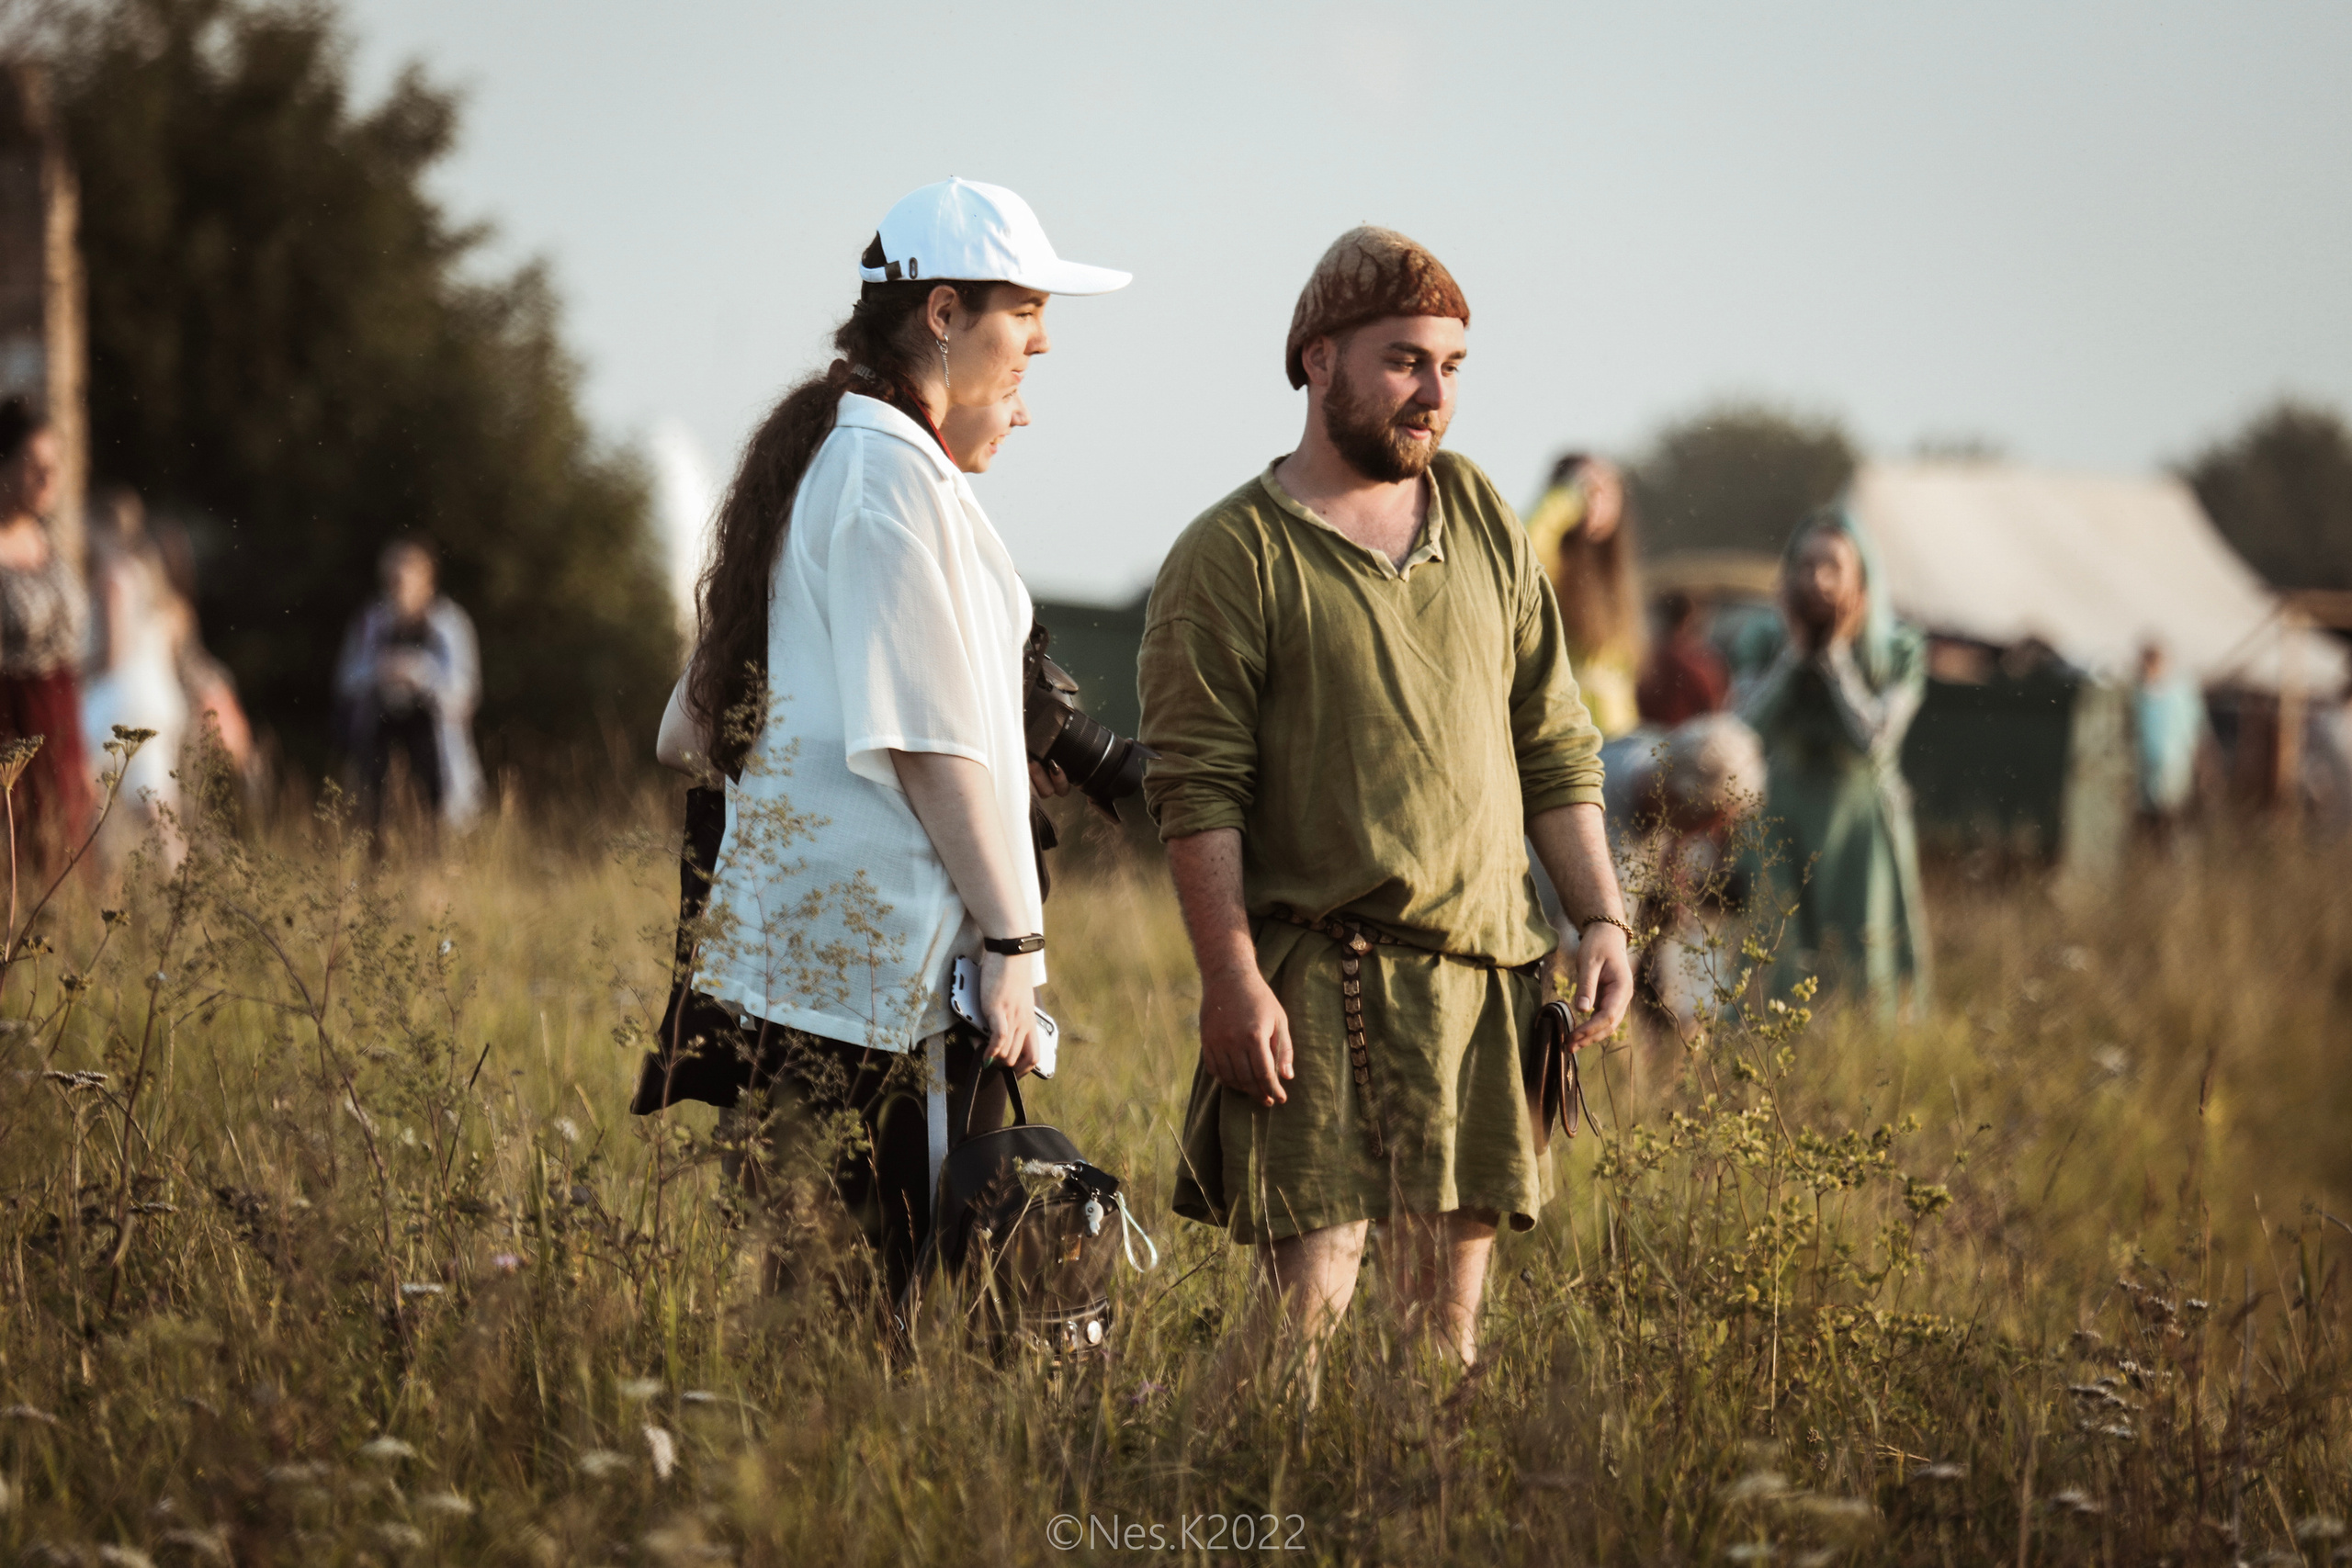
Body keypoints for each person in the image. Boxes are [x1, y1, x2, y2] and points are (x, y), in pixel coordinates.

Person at [1139, 227, 1634, 1375]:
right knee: (1298, 1327)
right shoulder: (1231, 553)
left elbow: (1553, 740)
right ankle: (1212, 1487)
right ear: (1318, 360)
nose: (1434, 395)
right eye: (1405, 361)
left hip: (1485, 983)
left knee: (1442, 1341)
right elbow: (1196, 792)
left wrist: (1601, 915)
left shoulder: (1481, 517)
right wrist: (1230, 976)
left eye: (1451, 367)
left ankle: (1415, 1491)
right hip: (1324, 981)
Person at [635, 178, 1125, 1305]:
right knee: (905, 1301)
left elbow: (687, 729)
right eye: (1024, 317)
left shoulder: (843, 456)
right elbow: (926, 745)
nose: (1040, 346)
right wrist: (1011, 941)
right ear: (943, 313)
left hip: (824, 975)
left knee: (832, 1300)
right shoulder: (883, 474)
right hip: (885, 984)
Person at [1735, 508, 1930, 1017]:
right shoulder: (1764, 642)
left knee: (1864, 961)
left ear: (1861, 578)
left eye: (1832, 567)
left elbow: (1876, 741)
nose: (1817, 580)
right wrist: (1794, 657)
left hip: (1860, 823)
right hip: (1782, 818)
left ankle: (1862, 1057)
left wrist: (1837, 659)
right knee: (1774, 958)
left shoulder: (1899, 649)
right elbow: (1741, 730)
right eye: (1805, 565)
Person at [332, 541, 485, 830]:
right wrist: (380, 671)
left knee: (434, 826)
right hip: (379, 742)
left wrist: (420, 673)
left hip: (434, 748)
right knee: (373, 823)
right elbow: (346, 681)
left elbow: (465, 694)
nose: (397, 588)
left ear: (428, 579)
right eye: (392, 580)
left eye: (403, 579)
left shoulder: (450, 625)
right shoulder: (370, 622)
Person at [0, 398, 93, 875]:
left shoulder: (49, 542)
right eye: (33, 464)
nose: (47, 478)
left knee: (69, 864)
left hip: (62, 724)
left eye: (53, 466)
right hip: (11, 723)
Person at [82, 488, 193, 845]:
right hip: (156, 694)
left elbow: (113, 653)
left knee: (89, 794)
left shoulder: (112, 576)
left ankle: (95, 870)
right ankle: (179, 874)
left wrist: (75, 672)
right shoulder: (147, 571)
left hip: (120, 699)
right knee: (157, 803)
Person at [1522, 452, 1645, 737]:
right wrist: (1568, 498)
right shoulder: (1552, 569)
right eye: (1589, 492)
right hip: (1564, 736)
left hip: (1615, 740)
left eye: (1609, 491)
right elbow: (1525, 546)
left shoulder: (1615, 577)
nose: (1599, 503)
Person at [2129, 639, 2206, 840]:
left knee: (2173, 816)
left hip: (2175, 767)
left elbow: (2197, 728)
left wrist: (2201, 763)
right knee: (2148, 820)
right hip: (2144, 769)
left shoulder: (2181, 692)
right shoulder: (2138, 694)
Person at [1636, 589, 1730, 728]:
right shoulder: (1703, 660)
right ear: (1688, 619)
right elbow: (1717, 705)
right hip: (1692, 734)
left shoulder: (1647, 658)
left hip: (1653, 733)